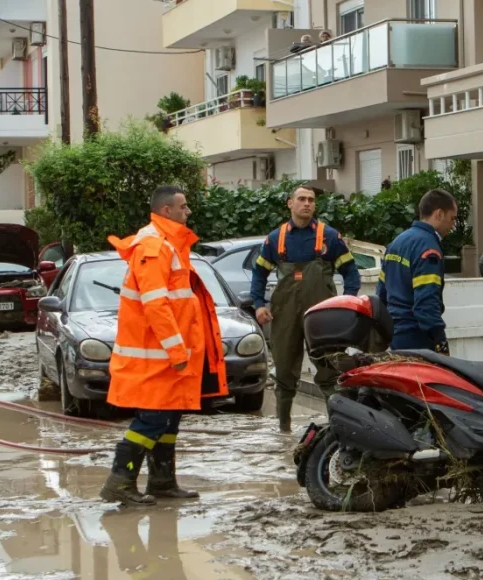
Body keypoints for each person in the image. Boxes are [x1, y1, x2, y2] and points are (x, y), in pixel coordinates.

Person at [99, 185, 229, 506]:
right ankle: (120, 482)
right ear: (167, 211)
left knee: (169, 419)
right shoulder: (155, 247)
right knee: (153, 420)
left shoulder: (170, 245)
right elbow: (156, 305)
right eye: (183, 207)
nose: (189, 212)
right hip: (157, 358)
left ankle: (162, 482)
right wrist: (176, 351)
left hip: (168, 357)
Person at [251, 185, 361, 433]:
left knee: (329, 368)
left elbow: (351, 273)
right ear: (290, 203)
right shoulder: (275, 239)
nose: (307, 203)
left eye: (311, 200)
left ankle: (339, 428)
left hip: (323, 316)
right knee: (284, 369)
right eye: (301, 199)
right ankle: (284, 431)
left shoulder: (330, 237)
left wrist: (347, 302)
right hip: (285, 314)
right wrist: (259, 305)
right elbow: (258, 275)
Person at [377, 189, 458, 353]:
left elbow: (381, 295)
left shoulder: (396, 243)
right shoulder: (429, 248)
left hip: (394, 336)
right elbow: (426, 304)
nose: (452, 225)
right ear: (439, 214)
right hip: (417, 339)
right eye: (452, 218)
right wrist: (440, 340)